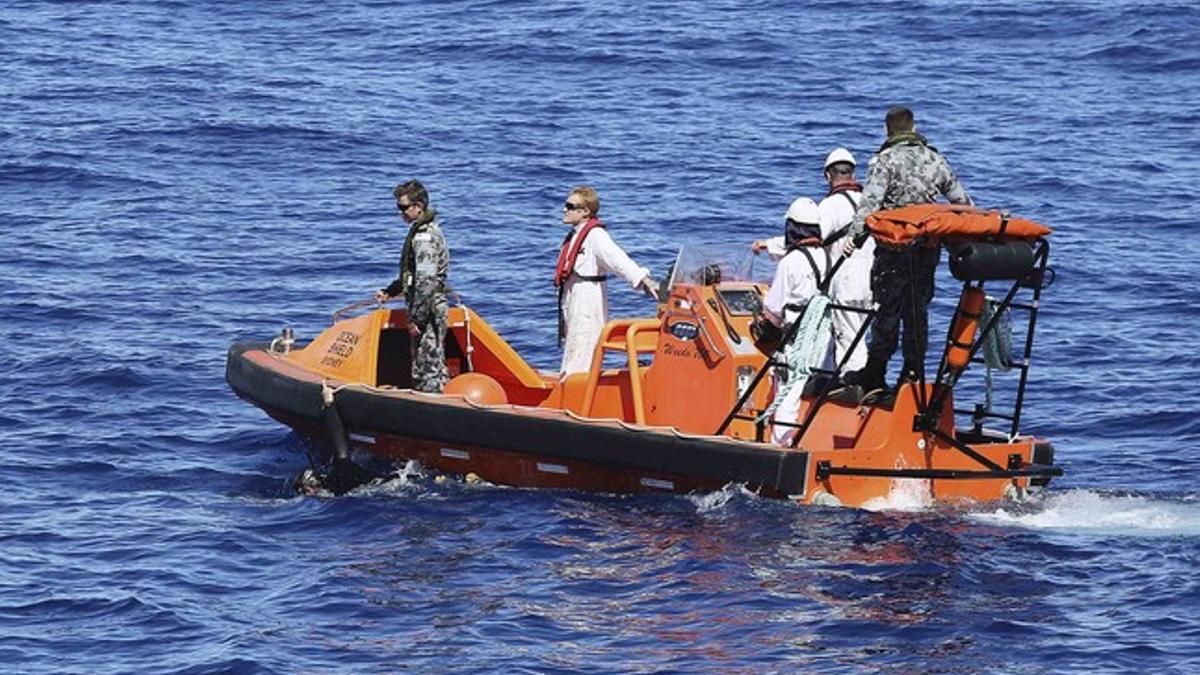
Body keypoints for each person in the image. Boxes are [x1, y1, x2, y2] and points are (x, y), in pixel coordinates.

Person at [843, 106, 973, 393]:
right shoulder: (935, 160)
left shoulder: (884, 161)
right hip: (925, 251)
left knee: (887, 309)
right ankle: (912, 373)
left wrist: (854, 239)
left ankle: (875, 372)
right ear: (913, 128)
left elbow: (869, 207)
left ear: (888, 130)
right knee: (917, 311)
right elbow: (962, 202)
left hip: (893, 249)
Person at [554, 186, 659, 375]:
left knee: (583, 344)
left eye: (570, 206)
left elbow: (618, 260)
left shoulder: (596, 236)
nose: (564, 210)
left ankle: (576, 387)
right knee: (574, 344)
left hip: (587, 297)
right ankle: (568, 380)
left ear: (585, 211)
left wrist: (644, 280)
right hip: (573, 296)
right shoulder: (576, 234)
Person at [758, 197, 833, 445]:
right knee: (817, 386)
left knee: (788, 392)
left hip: (796, 340)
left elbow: (774, 308)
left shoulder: (790, 261)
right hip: (823, 337)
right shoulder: (827, 256)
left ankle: (781, 442)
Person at [375, 179, 450, 393]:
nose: (400, 213)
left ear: (418, 206)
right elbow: (414, 275)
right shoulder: (424, 232)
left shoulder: (424, 238)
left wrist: (418, 318)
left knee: (428, 367)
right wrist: (391, 291)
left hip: (428, 309)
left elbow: (426, 281)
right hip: (428, 305)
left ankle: (436, 412)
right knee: (429, 363)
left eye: (403, 207)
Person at [817, 147, 874, 372]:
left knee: (848, 339)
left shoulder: (829, 205)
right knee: (861, 335)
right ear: (853, 174)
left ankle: (851, 386)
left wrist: (769, 245)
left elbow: (811, 239)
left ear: (828, 176)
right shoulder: (869, 203)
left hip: (845, 283)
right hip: (871, 283)